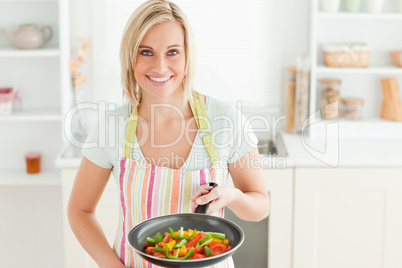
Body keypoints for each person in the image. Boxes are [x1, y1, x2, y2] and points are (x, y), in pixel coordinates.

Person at [67, 0, 270, 267]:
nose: (160, 67)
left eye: (172, 52)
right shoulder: (112, 126)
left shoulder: (226, 121)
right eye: (146, 52)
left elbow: (260, 206)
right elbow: (79, 211)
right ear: (130, 57)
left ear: (187, 56)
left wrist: (232, 196)